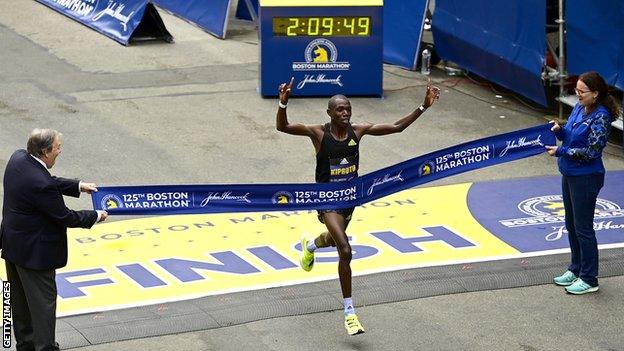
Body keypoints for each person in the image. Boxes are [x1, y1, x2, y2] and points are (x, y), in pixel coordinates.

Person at [276, 78, 440, 335]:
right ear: (329, 113)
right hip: (327, 200)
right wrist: (283, 103)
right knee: (345, 248)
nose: (345, 113)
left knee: (333, 239)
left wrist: (423, 106)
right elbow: (283, 127)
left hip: (349, 199)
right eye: (340, 109)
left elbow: (396, 127)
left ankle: (309, 246)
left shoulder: (358, 131)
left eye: (348, 109)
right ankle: (350, 312)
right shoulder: (318, 133)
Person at [0, 129, 108, 351]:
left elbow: (45, 181)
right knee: (42, 308)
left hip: (14, 246)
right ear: (46, 151)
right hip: (36, 256)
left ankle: (26, 346)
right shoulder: (41, 184)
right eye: (58, 147)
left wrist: (78, 185)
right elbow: (64, 216)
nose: (60, 151)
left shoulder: (18, 159)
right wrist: (96, 216)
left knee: (20, 305)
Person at [546, 71, 619, 295]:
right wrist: (560, 130)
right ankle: (575, 268)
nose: (577, 94)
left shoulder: (601, 118)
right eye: (576, 90)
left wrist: (562, 151)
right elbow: (571, 133)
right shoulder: (579, 107)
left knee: (583, 228)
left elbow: (591, 151)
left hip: (586, 177)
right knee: (570, 224)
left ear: (595, 94)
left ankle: (589, 278)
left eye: (581, 91)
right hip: (569, 173)